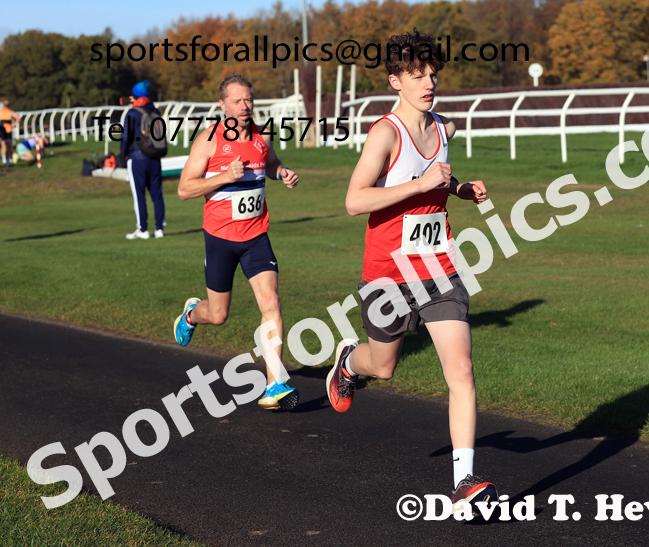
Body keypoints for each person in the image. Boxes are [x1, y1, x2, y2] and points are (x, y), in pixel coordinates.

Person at [326, 29, 497, 511]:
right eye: (417, 75)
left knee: (461, 369)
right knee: (383, 366)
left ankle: (463, 483)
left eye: (432, 74)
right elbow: (355, 200)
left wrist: (459, 189)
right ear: (395, 81)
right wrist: (420, 184)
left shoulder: (444, 128)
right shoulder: (386, 133)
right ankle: (348, 363)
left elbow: (437, 177)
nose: (428, 83)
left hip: (439, 266)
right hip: (388, 272)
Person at [175, 74, 301, 411]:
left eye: (248, 99)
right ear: (222, 105)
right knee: (218, 315)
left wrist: (282, 172)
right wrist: (223, 177)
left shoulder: (261, 136)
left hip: (256, 235)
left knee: (271, 301)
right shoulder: (209, 140)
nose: (245, 106)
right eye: (237, 101)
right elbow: (184, 189)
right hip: (220, 238)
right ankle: (191, 314)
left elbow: (270, 163)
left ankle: (275, 383)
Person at [121, 81, 166, 240]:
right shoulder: (155, 111)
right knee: (157, 195)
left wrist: (123, 155)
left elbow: (125, 137)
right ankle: (159, 229)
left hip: (137, 158)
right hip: (155, 157)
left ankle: (142, 229)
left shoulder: (132, 113)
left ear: (135, 97)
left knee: (139, 195)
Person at [0, 101, 21, 167]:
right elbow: (18, 118)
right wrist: (14, 124)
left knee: (7, 144)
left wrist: (13, 124)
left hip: (7, 130)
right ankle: (5, 158)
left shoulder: (9, 112)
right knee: (4, 143)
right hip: (2, 130)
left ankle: (9, 157)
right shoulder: (4, 111)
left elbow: (18, 118)